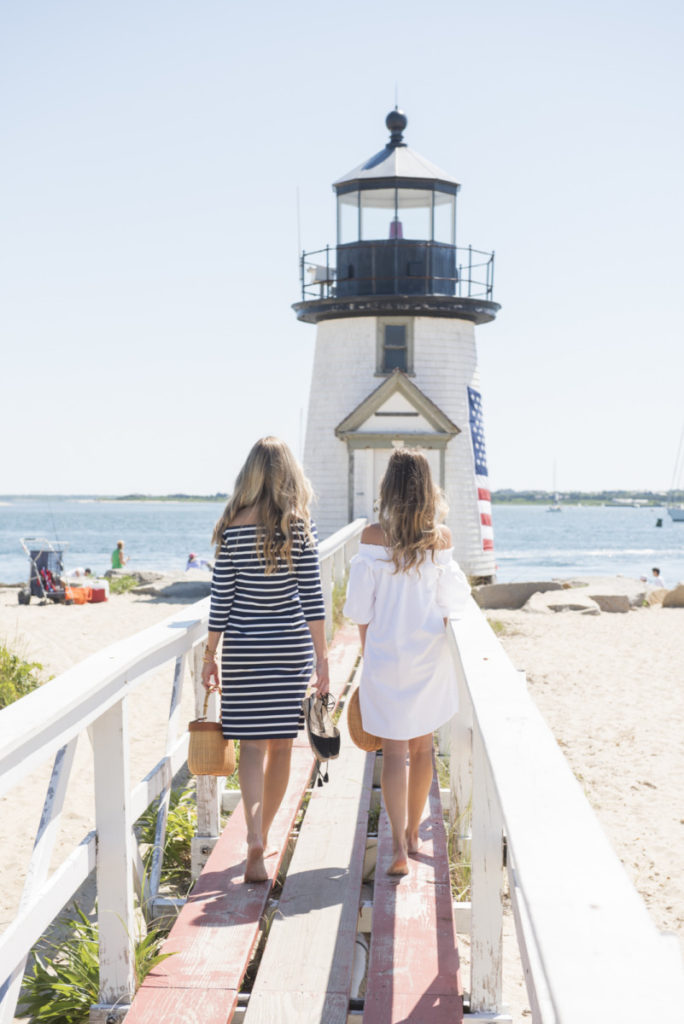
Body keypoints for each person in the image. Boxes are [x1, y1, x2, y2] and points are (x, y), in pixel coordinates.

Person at [201, 436, 328, 883]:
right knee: (280, 747)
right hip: (289, 650)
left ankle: (252, 833)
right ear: (289, 474)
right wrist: (323, 659)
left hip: (244, 650)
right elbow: (313, 598)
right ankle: (266, 834)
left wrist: (210, 653)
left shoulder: (233, 523)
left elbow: (222, 598)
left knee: (250, 747)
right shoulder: (299, 527)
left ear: (250, 474)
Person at [343, 449, 470, 876]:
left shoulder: (373, 536)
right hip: (428, 655)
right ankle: (415, 835)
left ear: (388, 489)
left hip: (386, 655)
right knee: (423, 748)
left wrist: (369, 652)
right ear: (427, 488)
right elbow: (451, 602)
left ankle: (396, 845)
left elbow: (360, 608)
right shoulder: (441, 538)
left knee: (393, 753)